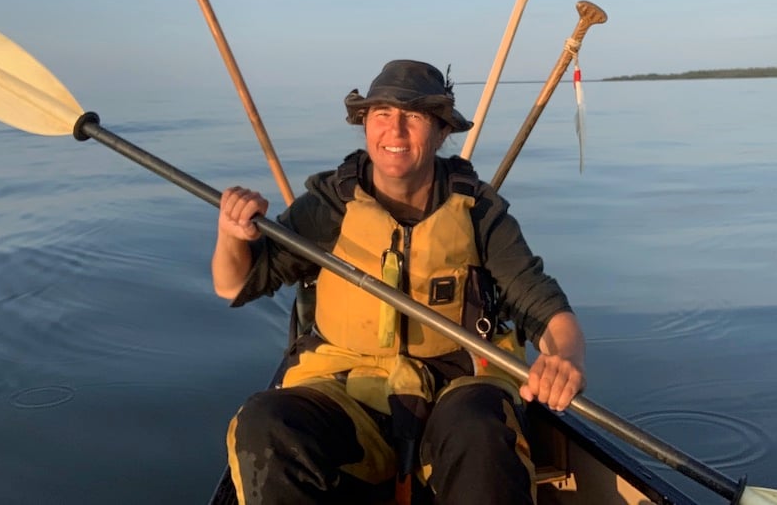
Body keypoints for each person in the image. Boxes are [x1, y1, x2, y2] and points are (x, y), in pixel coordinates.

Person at [212, 59, 587, 505]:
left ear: (442, 132)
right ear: (365, 124)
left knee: (480, 431)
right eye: (381, 115)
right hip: (346, 389)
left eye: (413, 117)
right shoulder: (330, 204)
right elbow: (234, 286)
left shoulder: (481, 212)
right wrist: (231, 234)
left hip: (457, 391)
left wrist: (564, 361)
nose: (395, 131)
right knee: (265, 424)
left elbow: (549, 314)